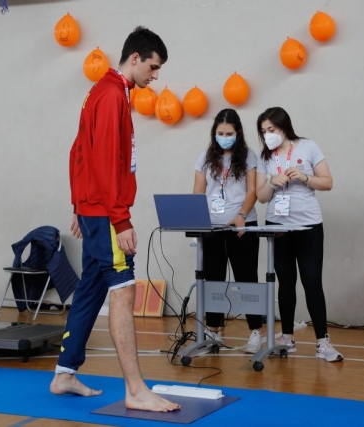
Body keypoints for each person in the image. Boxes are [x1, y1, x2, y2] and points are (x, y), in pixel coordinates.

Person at [50, 26, 180, 412]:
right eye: (153, 67)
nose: (155, 75)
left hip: (94, 209)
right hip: (106, 213)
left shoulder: (106, 91)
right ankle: (136, 390)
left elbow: (78, 151)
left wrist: (80, 204)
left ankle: (64, 373)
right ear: (135, 58)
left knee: (91, 287)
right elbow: (105, 160)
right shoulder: (110, 95)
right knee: (123, 292)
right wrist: (120, 220)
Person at [255, 106, 343, 362]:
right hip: (277, 226)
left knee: (312, 280)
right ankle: (287, 338)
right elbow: (261, 197)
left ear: (284, 126)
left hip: (308, 225)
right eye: (263, 131)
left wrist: (305, 177)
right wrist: (271, 182)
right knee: (285, 281)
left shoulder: (308, 146)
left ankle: (322, 342)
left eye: (271, 129)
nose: (268, 134)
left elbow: (328, 182)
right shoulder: (265, 156)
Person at [193, 109, 263, 354]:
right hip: (212, 227)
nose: (224, 137)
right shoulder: (205, 157)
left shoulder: (248, 155)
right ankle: (213, 331)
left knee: (247, 278)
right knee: (213, 280)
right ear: (214, 133)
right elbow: (198, 191)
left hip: (242, 226)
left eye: (229, 133)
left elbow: (253, 190)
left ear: (237, 133)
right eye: (220, 133)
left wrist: (241, 215)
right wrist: (196, 219)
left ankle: (255, 332)